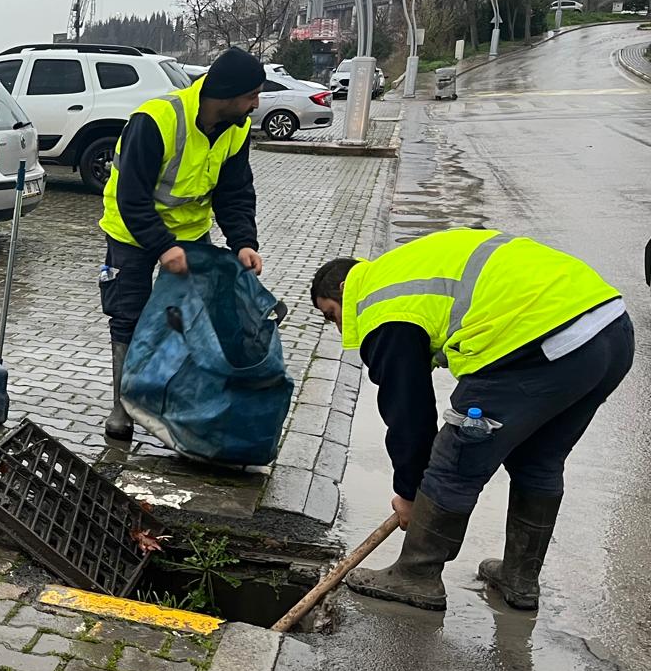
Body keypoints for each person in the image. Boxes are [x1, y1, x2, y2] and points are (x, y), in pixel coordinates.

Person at [310, 228, 632, 611]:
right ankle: (519, 579)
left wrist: (410, 492)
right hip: (611, 330)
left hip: (537, 339)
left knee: (455, 458)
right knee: (538, 459)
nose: (340, 328)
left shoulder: (378, 305)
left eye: (332, 315)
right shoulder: (403, 270)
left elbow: (408, 412)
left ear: (344, 287)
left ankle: (417, 575)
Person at [99, 47, 268, 439]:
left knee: (187, 318)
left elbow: (235, 192)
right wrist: (162, 246)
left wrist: (243, 241)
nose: (256, 105)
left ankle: (174, 404)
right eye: (251, 96)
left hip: (190, 234)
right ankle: (122, 408)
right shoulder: (156, 120)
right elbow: (132, 196)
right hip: (132, 233)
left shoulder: (237, 128)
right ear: (225, 95)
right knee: (128, 315)